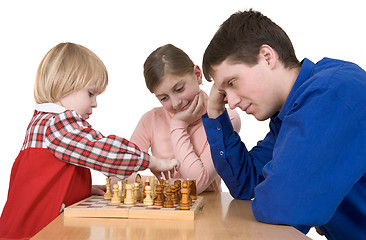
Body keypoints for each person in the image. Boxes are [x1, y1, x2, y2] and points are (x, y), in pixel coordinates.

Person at [200, 9, 366, 240]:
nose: (233, 102)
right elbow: (247, 184)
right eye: (224, 92)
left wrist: (275, 190)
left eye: (233, 82)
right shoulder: (288, 115)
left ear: (267, 57)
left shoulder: (330, 92)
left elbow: (283, 206)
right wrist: (215, 112)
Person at [0, 42, 179, 239]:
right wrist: (152, 161)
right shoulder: (58, 124)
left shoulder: (42, 121)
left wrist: (83, 189)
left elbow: (44, 181)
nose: (95, 103)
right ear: (63, 84)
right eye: (91, 94)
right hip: (35, 233)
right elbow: (105, 152)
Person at [128, 44, 241, 194]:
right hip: (161, 211)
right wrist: (168, 187)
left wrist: (178, 125)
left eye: (179, 89)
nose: (175, 103)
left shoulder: (226, 119)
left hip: (208, 212)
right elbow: (120, 173)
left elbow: (197, 184)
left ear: (198, 74)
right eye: (163, 98)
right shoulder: (150, 120)